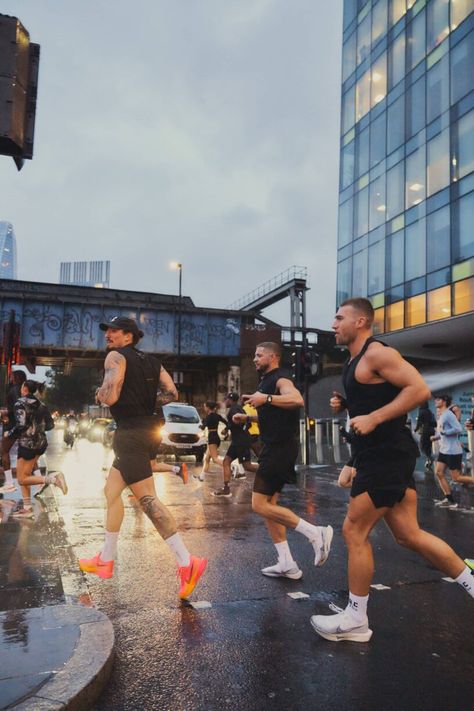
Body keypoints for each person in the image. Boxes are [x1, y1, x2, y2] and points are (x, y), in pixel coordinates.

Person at [310, 298, 474, 643]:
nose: (333, 323)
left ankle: (355, 618)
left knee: (354, 531)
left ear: (361, 322)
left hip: (387, 456)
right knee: (408, 535)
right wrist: (352, 442)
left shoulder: (376, 353)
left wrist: (373, 417)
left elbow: (419, 389)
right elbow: (371, 410)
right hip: (381, 455)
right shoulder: (354, 361)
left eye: (340, 317)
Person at [78, 316, 206, 599]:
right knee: (111, 492)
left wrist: (101, 393)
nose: (108, 335)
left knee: (148, 501)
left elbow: (110, 397)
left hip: (130, 434)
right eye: (107, 330)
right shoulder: (153, 362)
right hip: (148, 431)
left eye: (114, 331)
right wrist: (147, 403)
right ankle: (106, 559)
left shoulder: (115, 357)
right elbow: (171, 392)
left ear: (129, 336)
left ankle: (188, 562)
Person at [233, 342, 333, 580]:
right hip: (276, 446)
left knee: (259, 504)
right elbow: (275, 413)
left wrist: (265, 398)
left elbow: (296, 399)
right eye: (254, 355)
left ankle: (314, 533)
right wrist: (248, 416)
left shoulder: (280, 378)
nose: (255, 359)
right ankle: (286, 562)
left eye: (259, 355)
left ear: (273, 356)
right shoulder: (266, 380)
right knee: (270, 507)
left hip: (279, 449)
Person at [8, 380, 67, 519]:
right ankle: (27, 508)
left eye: (22, 386)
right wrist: (38, 430)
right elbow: (50, 425)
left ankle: (53, 479)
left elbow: (21, 425)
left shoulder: (20, 403)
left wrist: (9, 434)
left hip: (27, 444)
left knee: (22, 479)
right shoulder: (42, 405)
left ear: (25, 389)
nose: (21, 388)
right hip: (40, 443)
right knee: (25, 474)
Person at [432, 394, 474, 509]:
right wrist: (436, 437)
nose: (436, 401)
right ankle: (449, 500)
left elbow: (458, 429)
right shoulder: (442, 415)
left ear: (444, 401)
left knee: (456, 478)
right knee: (439, 473)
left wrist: (445, 432)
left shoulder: (449, 414)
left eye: (438, 399)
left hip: (452, 451)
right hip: (444, 450)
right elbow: (441, 431)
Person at [212, 393, 257, 498]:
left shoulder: (233, 410)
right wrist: (229, 429)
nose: (225, 402)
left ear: (230, 400)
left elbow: (239, 422)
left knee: (245, 465)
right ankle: (226, 488)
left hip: (240, 441)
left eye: (226, 399)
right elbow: (248, 423)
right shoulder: (240, 409)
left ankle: (268, 472)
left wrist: (230, 429)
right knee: (231, 462)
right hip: (240, 440)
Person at [0, 370, 26, 494]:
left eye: (12, 376)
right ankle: (41, 481)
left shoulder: (15, 389)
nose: (10, 378)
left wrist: (6, 413)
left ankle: (9, 482)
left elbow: (17, 406)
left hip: (14, 426)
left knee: (3, 450)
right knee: (27, 453)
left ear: (16, 378)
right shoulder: (22, 389)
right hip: (21, 425)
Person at [193, 401, 227, 482]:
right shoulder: (217, 416)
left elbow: (203, 427)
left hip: (212, 438)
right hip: (216, 437)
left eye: (205, 407)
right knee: (207, 458)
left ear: (208, 408)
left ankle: (231, 467)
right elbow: (227, 423)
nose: (204, 408)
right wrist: (225, 430)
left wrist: (200, 425)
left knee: (215, 459)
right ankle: (202, 476)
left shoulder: (208, 417)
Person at [415, 402, 436, 471]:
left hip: (425, 431)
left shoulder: (421, 411)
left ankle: (429, 458)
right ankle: (428, 461)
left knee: (422, 446)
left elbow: (419, 422)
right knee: (428, 446)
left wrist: (415, 429)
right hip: (431, 431)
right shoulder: (429, 411)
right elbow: (434, 423)